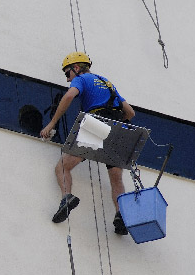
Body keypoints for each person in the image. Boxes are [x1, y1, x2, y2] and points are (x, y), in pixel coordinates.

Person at [39, 52, 136, 234]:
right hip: (118, 129)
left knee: (63, 167)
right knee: (116, 178)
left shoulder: (82, 79)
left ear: (76, 68)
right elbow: (130, 113)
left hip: (97, 124)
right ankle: (120, 214)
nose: (68, 79)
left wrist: (52, 123)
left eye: (68, 74)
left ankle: (66, 198)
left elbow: (68, 97)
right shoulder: (107, 83)